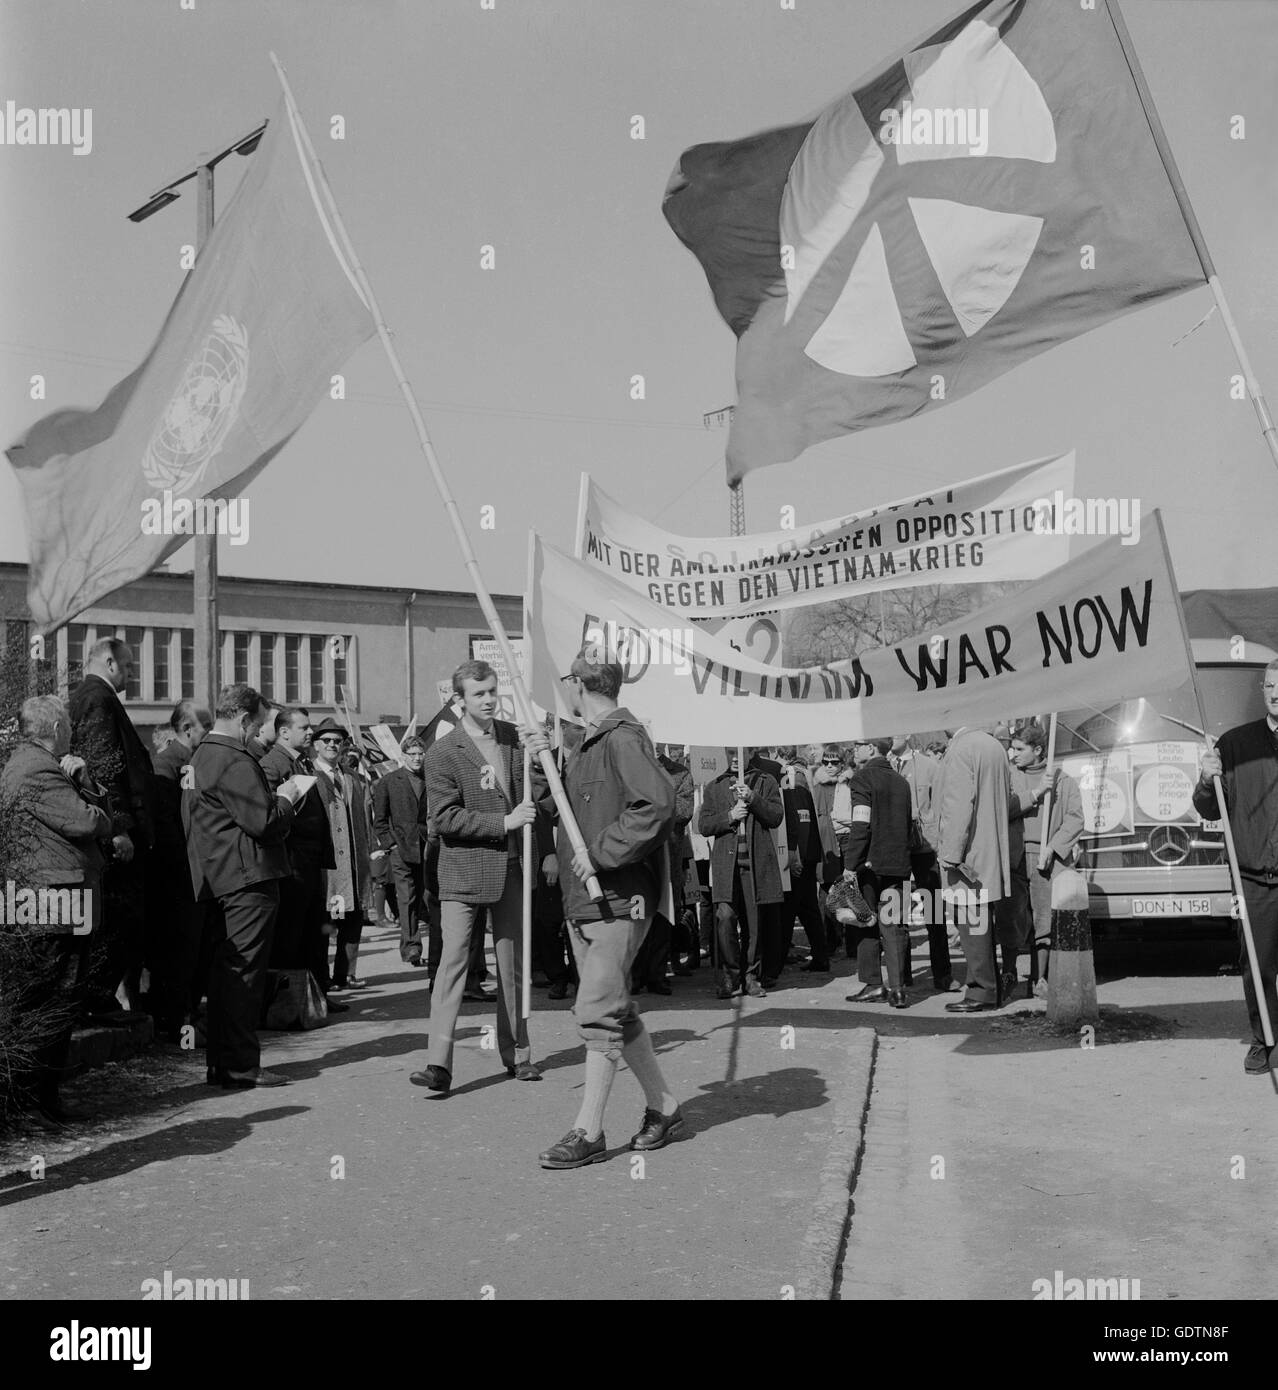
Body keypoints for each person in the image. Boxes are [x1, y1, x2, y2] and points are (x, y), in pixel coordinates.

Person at [525, 652, 682, 1169]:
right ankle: (665, 1106)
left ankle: (588, 1131)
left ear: (576, 686)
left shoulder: (621, 738)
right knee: (617, 1008)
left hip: (618, 897)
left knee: (595, 1011)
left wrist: (600, 853)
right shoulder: (585, 744)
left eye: (563, 683)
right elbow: (559, 808)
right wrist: (539, 762)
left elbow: (658, 805)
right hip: (586, 900)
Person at [409, 660, 541, 1095]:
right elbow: (444, 818)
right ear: (459, 700)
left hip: (511, 869)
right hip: (462, 873)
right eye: (478, 694)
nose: (488, 700)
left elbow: (538, 796)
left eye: (491, 691)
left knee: (512, 969)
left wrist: (543, 752)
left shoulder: (514, 741)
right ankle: (438, 1064)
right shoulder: (443, 752)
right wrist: (503, 822)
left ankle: (518, 1054)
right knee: (452, 967)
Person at [182, 683, 306, 1088]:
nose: (257, 733)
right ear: (242, 718)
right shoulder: (232, 758)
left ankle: (224, 1063)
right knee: (244, 977)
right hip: (247, 878)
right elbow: (263, 823)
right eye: (257, 724)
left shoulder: (202, 754)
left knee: (227, 975)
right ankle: (239, 1066)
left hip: (219, 876)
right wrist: (286, 798)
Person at [0, 695, 111, 1121]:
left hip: (48, 900)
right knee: (53, 999)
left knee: (49, 997)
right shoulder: (39, 770)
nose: (72, 733)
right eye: (67, 726)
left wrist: (85, 782)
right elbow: (88, 821)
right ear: (57, 729)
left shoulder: (28, 764)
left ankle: (38, 1099)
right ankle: (36, 1102)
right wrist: (93, 799)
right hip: (54, 902)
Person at [1194, 658, 1278, 1073]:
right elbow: (1211, 809)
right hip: (1251, 878)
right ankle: (1265, 1040)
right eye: (1270, 686)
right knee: (1257, 965)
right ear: (1262, 691)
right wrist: (1206, 778)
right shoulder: (1234, 744)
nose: (1276, 693)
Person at [68, 636, 154, 1016]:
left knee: (123, 920)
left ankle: (99, 997)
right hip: (114, 837)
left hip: (112, 831)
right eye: (129, 665)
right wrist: (118, 826)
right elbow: (102, 767)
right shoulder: (97, 699)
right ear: (109, 662)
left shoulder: (96, 697)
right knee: (120, 919)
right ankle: (95, 999)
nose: (132, 673)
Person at [259, 708, 342, 1007]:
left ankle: (317, 995)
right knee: (291, 935)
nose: (310, 733)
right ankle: (289, 1003)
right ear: (284, 732)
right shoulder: (271, 765)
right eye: (304, 728)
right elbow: (269, 810)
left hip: (310, 861)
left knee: (314, 933)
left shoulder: (301, 761)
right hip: (292, 862)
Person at [146, 700, 211, 1041]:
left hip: (196, 874)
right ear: (188, 729)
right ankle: (175, 1022)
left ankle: (187, 1014)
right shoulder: (167, 765)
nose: (210, 732)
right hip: (180, 877)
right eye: (206, 726)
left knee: (194, 950)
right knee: (178, 953)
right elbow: (169, 825)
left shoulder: (191, 762)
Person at [936, 725, 1013, 1013]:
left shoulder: (961, 749)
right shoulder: (993, 746)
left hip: (968, 853)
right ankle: (987, 987)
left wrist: (950, 854)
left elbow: (957, 806)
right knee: (980, 924)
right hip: (989, 848)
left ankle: (982, 990)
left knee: (971, 925)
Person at [699, 747, 784, 1000]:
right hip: (727, 865)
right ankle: (729, 975)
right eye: (731, 753)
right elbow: (703, 825)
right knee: (725, 918)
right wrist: (730, 816)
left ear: (750, 754)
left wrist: (753, 798)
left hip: (756, 864)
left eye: (740, 753)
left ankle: (751, 977)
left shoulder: (765, 781)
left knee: (754, 923)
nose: (735, 758)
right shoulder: (715, 786)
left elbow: (776, 817)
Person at [1008, 722, 1084, 998]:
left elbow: (1075, 819)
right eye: (1012, 747)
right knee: (1014, 919)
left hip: (1045, 860)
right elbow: (1003, 809)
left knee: (1044, 921)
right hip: (1013, 858)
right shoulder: (1009, 776)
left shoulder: (1062, 780)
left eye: (1019, 748)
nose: (1012, 753)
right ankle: (1009, 975)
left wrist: (1053, 846)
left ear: (1038, 750)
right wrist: (1037, 792)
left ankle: (1039, 979)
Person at [841, 738, 913, 1008]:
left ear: (871, 747)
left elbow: (861, 825)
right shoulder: (901, 781)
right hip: (898, 864)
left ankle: (873, 984)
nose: (855, 749)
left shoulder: (862, 778)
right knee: (893, 926)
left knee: (866, 923)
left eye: (859, 745)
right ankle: (897, 988)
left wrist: (850, 864)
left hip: (869, 864)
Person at [311, 718, 375, 991]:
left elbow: (364, 818)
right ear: (316, 745)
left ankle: (346, 973)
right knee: (327, 923)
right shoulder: (309, 775)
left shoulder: (352, 777)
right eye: (326, 740)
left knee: (353, 920)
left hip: (354, 861)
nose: (332, 745)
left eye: (337, 741)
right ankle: (323, 978)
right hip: (328, 866)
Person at [890, 733, 951, 992]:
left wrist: (939, 841)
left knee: (934, 913)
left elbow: (942, 805)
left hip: (925, 847)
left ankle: (943, 975)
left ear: (907, 734)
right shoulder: (884, 766)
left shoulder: (929, 766)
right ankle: (902, 975)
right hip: (895, 849)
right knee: (897, 912)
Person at [631, 744, 694, 996]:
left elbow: (684, 811)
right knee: (636, 917)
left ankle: (657, 974)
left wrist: (652, 807)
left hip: (668, 857)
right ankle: (634, 975)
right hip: (638, 858)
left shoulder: (680, 773)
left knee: (663, 917)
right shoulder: (631, 766)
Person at [372, 737, 432, 966]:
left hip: (427, 847)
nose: (417, 758)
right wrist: (391, 845)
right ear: (403, 756)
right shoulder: (388, 781)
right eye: (412, 754)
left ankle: (428, 946)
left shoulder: (431, 779)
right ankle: (411, 948)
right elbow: (379, 820)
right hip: (401, 849)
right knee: (406, 898)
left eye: (420, 754)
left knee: (425, 898)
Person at [777, 746, 827, 973]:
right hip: (807, 856)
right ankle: (820, 956)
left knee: (789, 910)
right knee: (808, 909)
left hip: (797, 857)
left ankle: (778, 960)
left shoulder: (792, 790)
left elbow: (798, 826)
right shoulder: (805, 790)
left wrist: (795, 855)